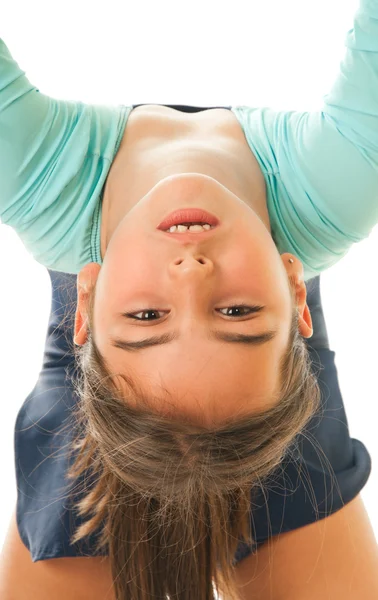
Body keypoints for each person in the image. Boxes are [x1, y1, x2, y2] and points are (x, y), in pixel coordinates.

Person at [0, 0, 378, 597]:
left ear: (87, 298)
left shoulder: (29, 174)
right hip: (268, 354)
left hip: (101, 392)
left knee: (73, 495)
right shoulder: (338, 190)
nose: (191, 272)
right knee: (290, 468)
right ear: (294, 291)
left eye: (148, 316)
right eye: (237, 312)